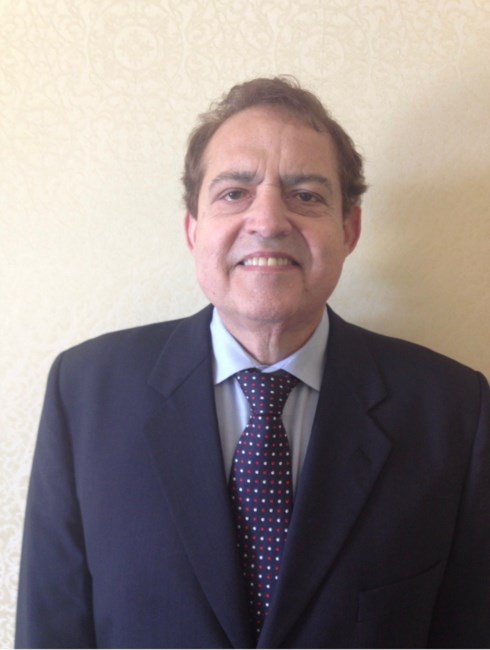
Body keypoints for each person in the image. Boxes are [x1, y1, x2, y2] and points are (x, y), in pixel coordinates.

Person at [16, 76, 490, 649]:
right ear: (193, 230)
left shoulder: (454, 410)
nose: (268, 221)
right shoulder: (85, 392)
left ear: (349, 229)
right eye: (234, 193)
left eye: (306, 195)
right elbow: (51, 629)